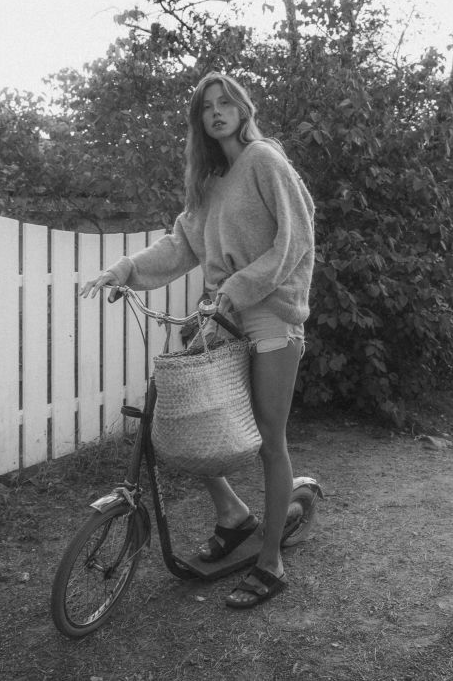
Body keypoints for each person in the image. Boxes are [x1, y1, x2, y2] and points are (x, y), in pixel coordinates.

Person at [80, 72, 315, 609]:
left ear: (242, 108)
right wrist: (124, 270)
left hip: (271, 312)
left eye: (225, 102)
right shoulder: (210, 181)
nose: (216, 112)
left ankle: (271, 561)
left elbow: (297, 238)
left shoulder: (264, 160)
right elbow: (180, 243)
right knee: (184, 413)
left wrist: (236, 288)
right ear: (199, 120)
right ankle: (233, 515)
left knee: (270, 440)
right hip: (222, 313)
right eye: (207, 106)